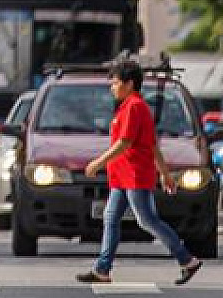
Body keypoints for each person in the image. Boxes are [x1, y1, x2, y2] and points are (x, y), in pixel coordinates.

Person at [75, 58, 203, 285]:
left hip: (135, 174)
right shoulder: (130, 107)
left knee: (147, 220)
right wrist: (165, 173)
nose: (112, 87)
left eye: (116, 83)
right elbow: (152, 144)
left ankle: (187, 260)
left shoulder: (134, 106)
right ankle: (102, 269)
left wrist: (98, 162)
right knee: (111, 218)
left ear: (130, 83)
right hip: (122, 176)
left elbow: (125, 142)